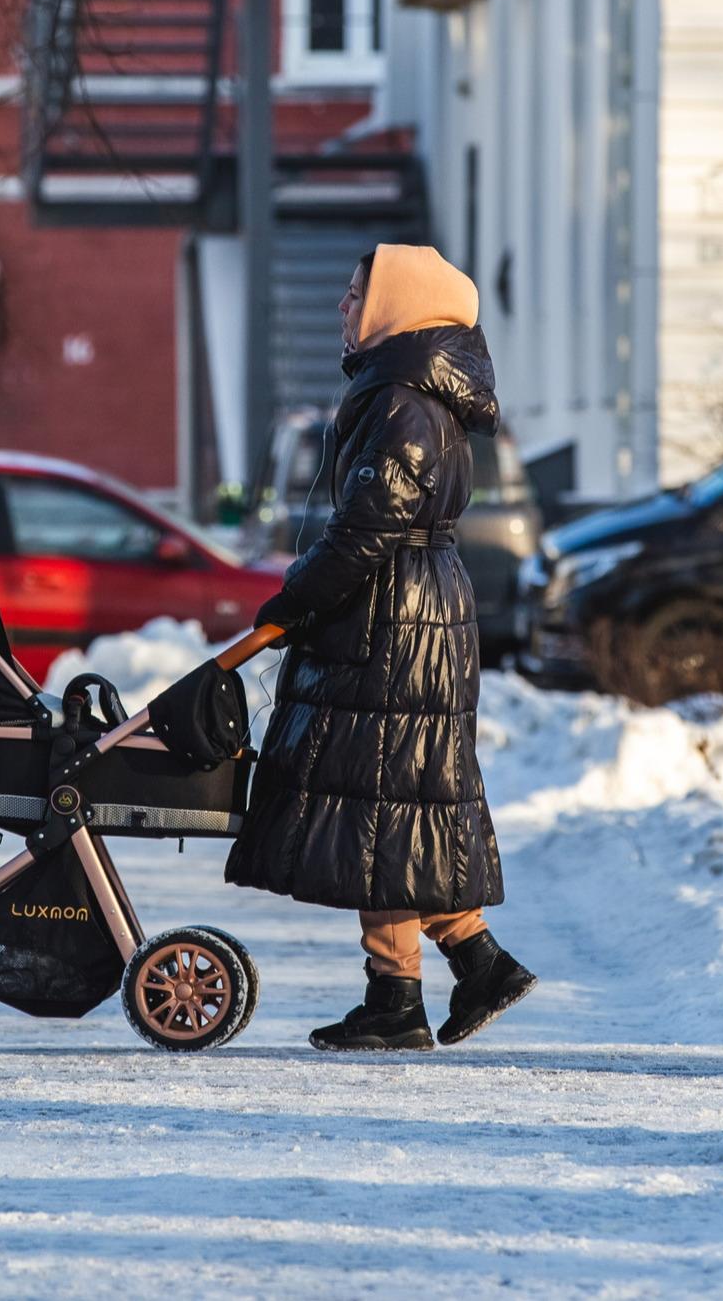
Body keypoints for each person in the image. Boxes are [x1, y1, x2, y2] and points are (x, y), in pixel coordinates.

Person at [225, 243, 537, 1051]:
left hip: (394, 617)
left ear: (399, 305)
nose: (342, 305)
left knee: (379, 805)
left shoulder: (403, 400)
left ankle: (404, 996)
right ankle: (463, 965)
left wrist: (295, 600)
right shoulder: (406, 390)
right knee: (384, 805)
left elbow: (369, 525)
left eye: (357, 293)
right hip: (402, 607)